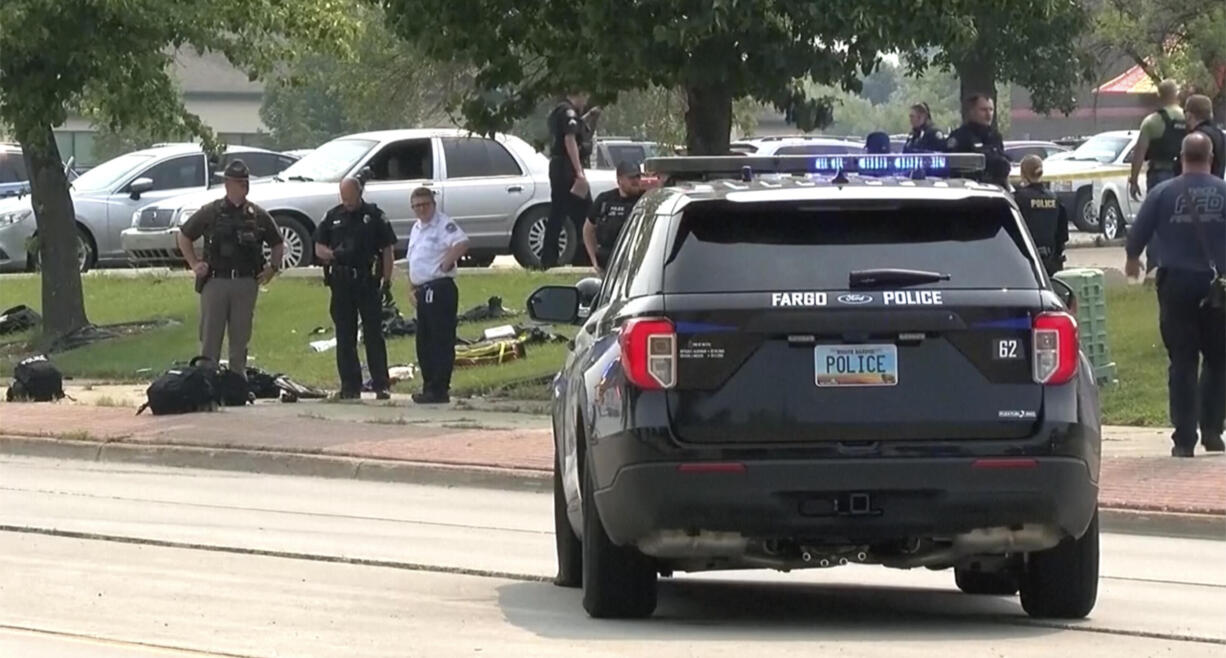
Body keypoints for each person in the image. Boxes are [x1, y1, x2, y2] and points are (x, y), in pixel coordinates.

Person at [1124, 133, 1226, 458]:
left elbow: (1137, 234)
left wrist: (1132, 261)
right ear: (1211, 157)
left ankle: (1184, 439)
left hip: (1176, 285)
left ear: (1181, 157)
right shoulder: (1223, 193)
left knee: (1182, 361)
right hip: (1218, 287)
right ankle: (1213, 430)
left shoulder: (1163, 193)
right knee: (1218, 360)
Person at [177, 160, 283, 376]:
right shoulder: (211, 212)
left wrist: (273, 268)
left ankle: (236, 386)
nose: (244, 187)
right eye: (239, 182)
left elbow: (278, 242)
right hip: (216, 282)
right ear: (227, 184)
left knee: (240, 338)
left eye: (245, 182)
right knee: (210, 337)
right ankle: (206, 384)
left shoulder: (256, 214)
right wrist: (195, 263)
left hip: (245, 282)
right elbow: (184, 235)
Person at [314, 177, 397, 400]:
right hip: (341, 283)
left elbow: (388, 249)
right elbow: (318, 246)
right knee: (345, 335)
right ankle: (350, 386)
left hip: (367, 281)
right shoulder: (333, 217)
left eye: (351, 197)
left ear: (359, 193)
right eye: (344, 198)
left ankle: (381, 383)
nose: (347, 202)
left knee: (373, 334)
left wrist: (386, 281)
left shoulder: (374, 216)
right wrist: (333, 254)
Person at [406, 186, 469, 404]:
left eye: (424, 205)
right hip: (422, 289)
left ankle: (439, 388)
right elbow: (413, 260)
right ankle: (428, 385)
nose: (421, 210)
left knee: (439, 340)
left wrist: (447, 262)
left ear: (433, 204)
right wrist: (411, 288)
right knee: (424, 341)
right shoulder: (416, 228)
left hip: (439, 287)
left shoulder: (443, 224)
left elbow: (461, 243)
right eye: (416, 206)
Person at [540, 90, 593, 269]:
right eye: (584, 96)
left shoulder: (559, 111)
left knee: (563, 212)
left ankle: (559, 257)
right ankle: (583, 255)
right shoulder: (568, 112)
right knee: (586, 211)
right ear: (576, 94)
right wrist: (579, 172)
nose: (585, 101)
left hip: (560, 166)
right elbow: (569, 139)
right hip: (567, 168)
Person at [1129, 79, 1187, 201]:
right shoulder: (1188, 117)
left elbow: (1139, 154)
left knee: (1158, 212)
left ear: (1159, 96)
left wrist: (1134, 180)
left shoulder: (1151, 121)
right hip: (1184, 173)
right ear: (1177, 94)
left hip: (1159, 174)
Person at [583, 160, 643, 274]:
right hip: (606, 263)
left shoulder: (644, 199)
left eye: (638, 177)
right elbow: (588, 229)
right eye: (631, 178)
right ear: (619, 179)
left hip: (633, 264)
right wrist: (594, 262)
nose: (636, 181)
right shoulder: (605, 200)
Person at [1013, 155, 1069, 276]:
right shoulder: (1055, 198)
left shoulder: (1018, 198)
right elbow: (1063, 234)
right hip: (1051, 263)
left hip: (1026, 261)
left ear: (1023, 174)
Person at [947, 93, 1011, 189]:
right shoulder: (960, 137)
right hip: (970, 190)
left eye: (991, 110)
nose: (988, 114)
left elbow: (1003, 166)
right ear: (972, 111)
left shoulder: (995, 136)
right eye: (983, 110)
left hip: (995, 189)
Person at [1174, 94, 1225, 179]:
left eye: (1185, 112)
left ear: (1189, 115)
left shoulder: (1195, 139)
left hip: (1195, 186)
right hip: (1216, 187)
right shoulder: (1220, 135)